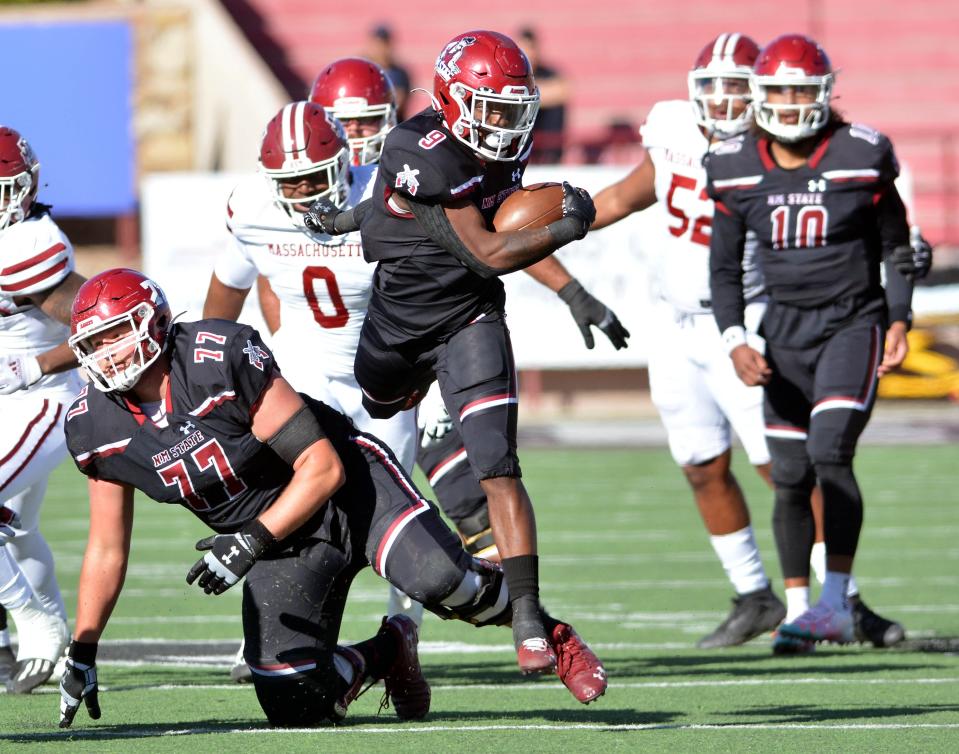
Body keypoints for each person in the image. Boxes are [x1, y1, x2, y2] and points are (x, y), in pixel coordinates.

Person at [57, 268, 607, 729]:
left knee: (443, 580)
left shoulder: (214, 357)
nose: (104, 355)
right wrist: (83, 649)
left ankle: (550, 631)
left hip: (347, 490)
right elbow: (106, 548)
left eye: (114, 335)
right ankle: (388, 650)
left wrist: (248, 539)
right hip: (278, 544)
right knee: (293, 703)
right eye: (92, 344)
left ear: (151, 324)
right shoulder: (93, 426)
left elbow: (321, 466)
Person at [588, 34, 906, 651]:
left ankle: (842, 598)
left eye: (737, 86)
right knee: (702, 465)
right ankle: (754, 594)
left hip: (753, 317)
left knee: (785, 467)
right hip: (675, 321)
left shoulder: (775, 147)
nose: (723, 98)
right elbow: (625, 196)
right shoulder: (673, 128)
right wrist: (551, 221)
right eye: (713, 85)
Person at [304, 30, 599, 676]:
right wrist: (567, 225)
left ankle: (526, 614)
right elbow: (486, 249)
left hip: (469, 316)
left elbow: (489, 245)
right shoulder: (417, 147)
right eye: (488, 106)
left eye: (510, 107)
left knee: (497, 463)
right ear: (449, 98)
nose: (502, 122)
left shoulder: (492, 149)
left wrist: (572, 290)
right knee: (376, 426)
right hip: (399, 326)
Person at [706, 34, 930, 649]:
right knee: (789, 470)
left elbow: (897, 243)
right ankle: (800, 611)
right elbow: (723, 267)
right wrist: (733, 338)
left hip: (851, 324)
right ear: (758, 94)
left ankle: (837, 600)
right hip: (783, 330)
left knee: (830, 449)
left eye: (800, 91)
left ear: (825, 95)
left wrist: (900, 318)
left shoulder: (862, 153)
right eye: (776, 89)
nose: (786, 102)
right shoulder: (731, 163)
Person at [0, 126, 82, 693]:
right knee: (18, 529)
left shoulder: (27, 244)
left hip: (42, 395)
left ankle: (34, 619)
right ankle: (58, 650)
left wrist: (36, 365)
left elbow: (106, 328)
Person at [518, 27, 569, 164]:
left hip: (546, 145)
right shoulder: (514, 74)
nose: (528, 53)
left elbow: (563, 90)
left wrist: (527, 96)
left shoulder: (548, 73)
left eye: (530, 48)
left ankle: (550, 155)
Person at [364, 25, 412, 121]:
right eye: (376, 44)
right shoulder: (363, 70)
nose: (379, 49)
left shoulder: (399, 73)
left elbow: (397, 104)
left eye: (383, 44)